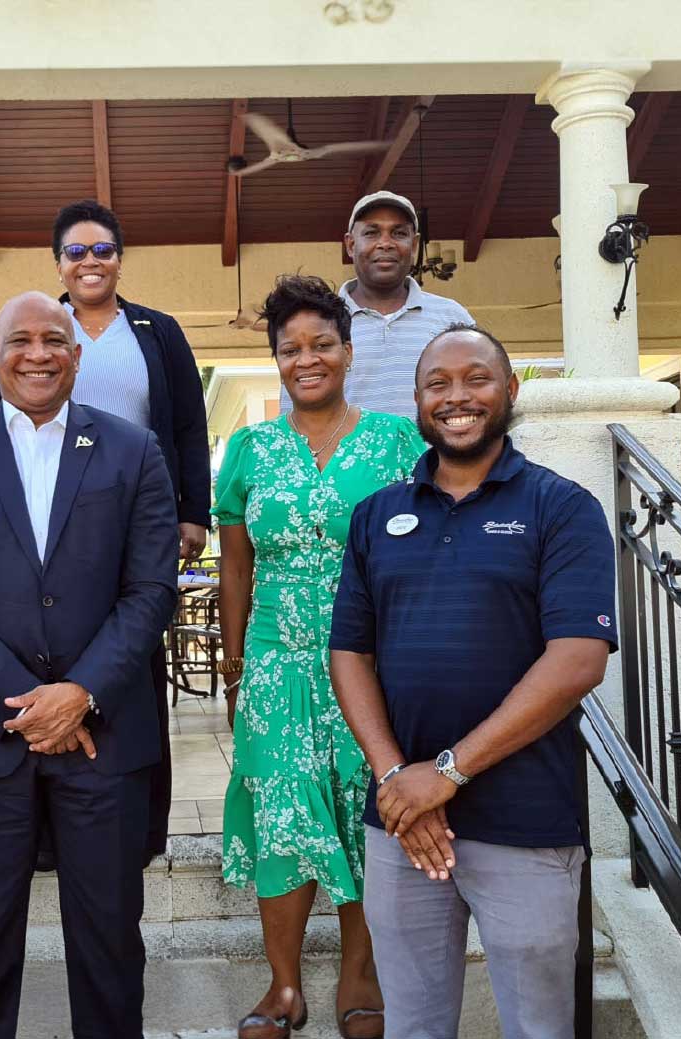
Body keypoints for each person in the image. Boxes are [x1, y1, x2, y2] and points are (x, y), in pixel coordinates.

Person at [329, 324, 616, 1039]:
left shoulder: (561, 506)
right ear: (417, 401)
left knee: (538, 1028)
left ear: (510, 390)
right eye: (438, 383)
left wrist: (447, 772)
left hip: (525, 820)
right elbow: (348, 654)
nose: (457, 396)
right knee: (415, 1026)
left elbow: (578, 658)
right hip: (400, 823)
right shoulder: (374, 515)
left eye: (476, 378)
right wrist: (400, 776)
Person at [0, 292, 178, 1039]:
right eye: (19, 340)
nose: (37, 352)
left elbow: (151, 590)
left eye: (53, 339)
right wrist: (30, 705)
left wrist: (81, 693)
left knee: (109, 937)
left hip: (107, 737)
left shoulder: (133, 449)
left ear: (77, 356)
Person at [215, 275, 423, 1039]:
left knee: (361, 810)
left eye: (321, 344)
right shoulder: (249, 448)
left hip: (369, 662)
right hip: (275, 662)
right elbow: (234, 567)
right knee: (281, 812)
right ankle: (283, 986)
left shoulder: (397, 442)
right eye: (289, 348)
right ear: (274, 358)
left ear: (346, 348)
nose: (306, 359)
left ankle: (359, 977)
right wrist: (236, 669)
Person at [0, 199, 211, 863]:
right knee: (41, 651)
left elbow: (189, 425)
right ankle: (42, 821)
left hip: (138, 523)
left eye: (102, 249)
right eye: (76, 251)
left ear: (118, 258)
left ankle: (136, 820)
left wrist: (190, 512)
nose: (90, 261)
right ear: (58, 262)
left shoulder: (156, 331)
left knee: (131, 661)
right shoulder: (35, 329)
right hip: (43, 530)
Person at [279, 190, 474, 419]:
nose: (385, 243)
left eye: (398, 233)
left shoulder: (451, 316)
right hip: (344, 456)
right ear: (350, 244)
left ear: (414, 245)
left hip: (434, 456)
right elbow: (295, 414)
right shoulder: (320, 322)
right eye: (371, 233)